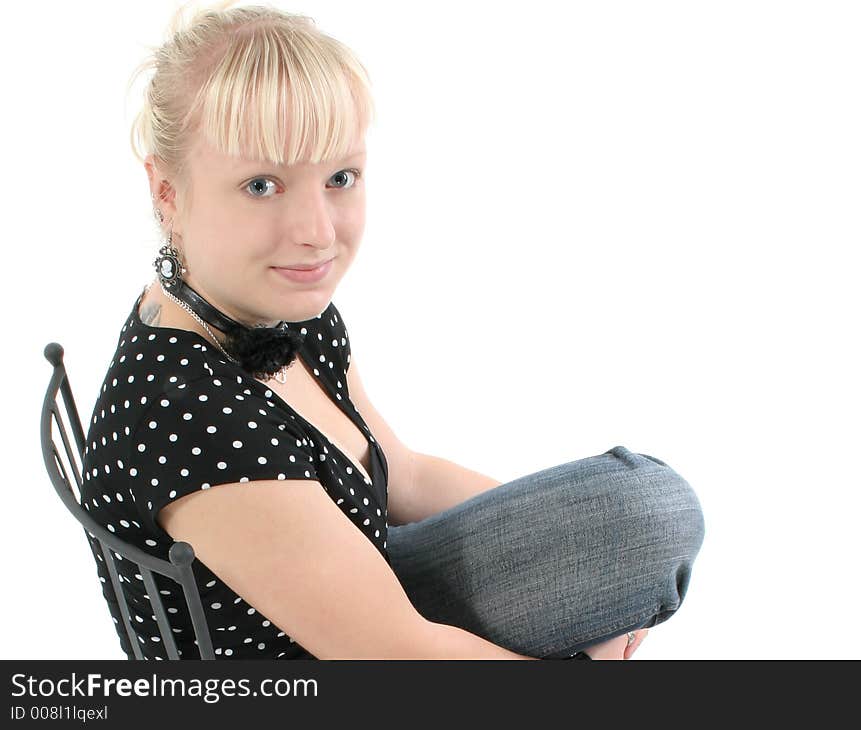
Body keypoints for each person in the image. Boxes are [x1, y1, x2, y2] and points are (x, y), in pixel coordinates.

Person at [80, 0, 704, 660]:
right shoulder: (188, 414)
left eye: (339, 178)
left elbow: (400, 475)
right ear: (168, 192)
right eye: (261, 185)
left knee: (649, 511)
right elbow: (399, 655)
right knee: (647, 526)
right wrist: (591, 656)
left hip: (366, 585)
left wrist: (575, 545)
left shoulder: (265, 300)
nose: (317, 233)